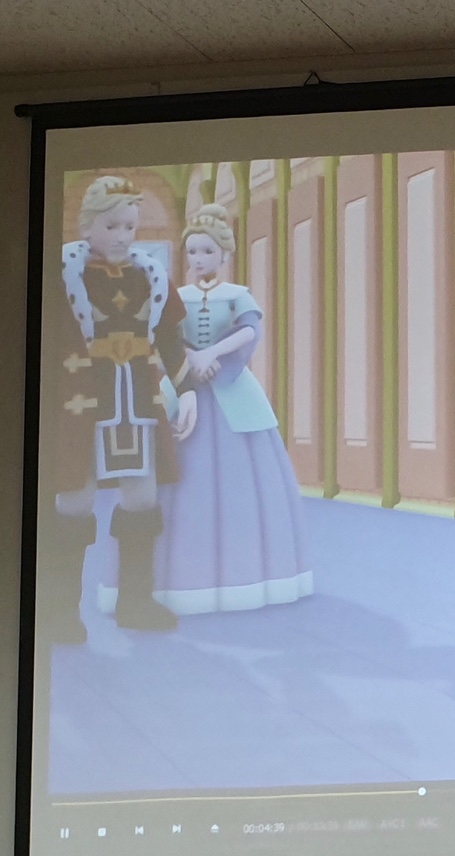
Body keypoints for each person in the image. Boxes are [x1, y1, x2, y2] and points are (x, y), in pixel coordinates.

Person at [96, 204, 313, 615]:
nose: (198, 259)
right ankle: (165, 581)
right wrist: (191, 359)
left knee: (241, 483)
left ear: (224, 254)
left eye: (207, 251)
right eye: (192, 251)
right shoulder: (176, 295)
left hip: (231, 392)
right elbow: (166, 334)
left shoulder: (238, 295)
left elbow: (249, 330)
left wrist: (212, 353)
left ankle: (241, 576)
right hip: (182, 387)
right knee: (168, 468)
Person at [42, 175, 197, 643]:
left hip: (138, 404)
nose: (122, 236)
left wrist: (187, 390)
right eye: (112, 226)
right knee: (74, 500)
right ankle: (59, 613)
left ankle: (136, 602)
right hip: (82, 405)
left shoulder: (150, 275)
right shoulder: (61, 275)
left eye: (130, 226)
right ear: (87, 225)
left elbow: (169, 339)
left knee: (142, 499)